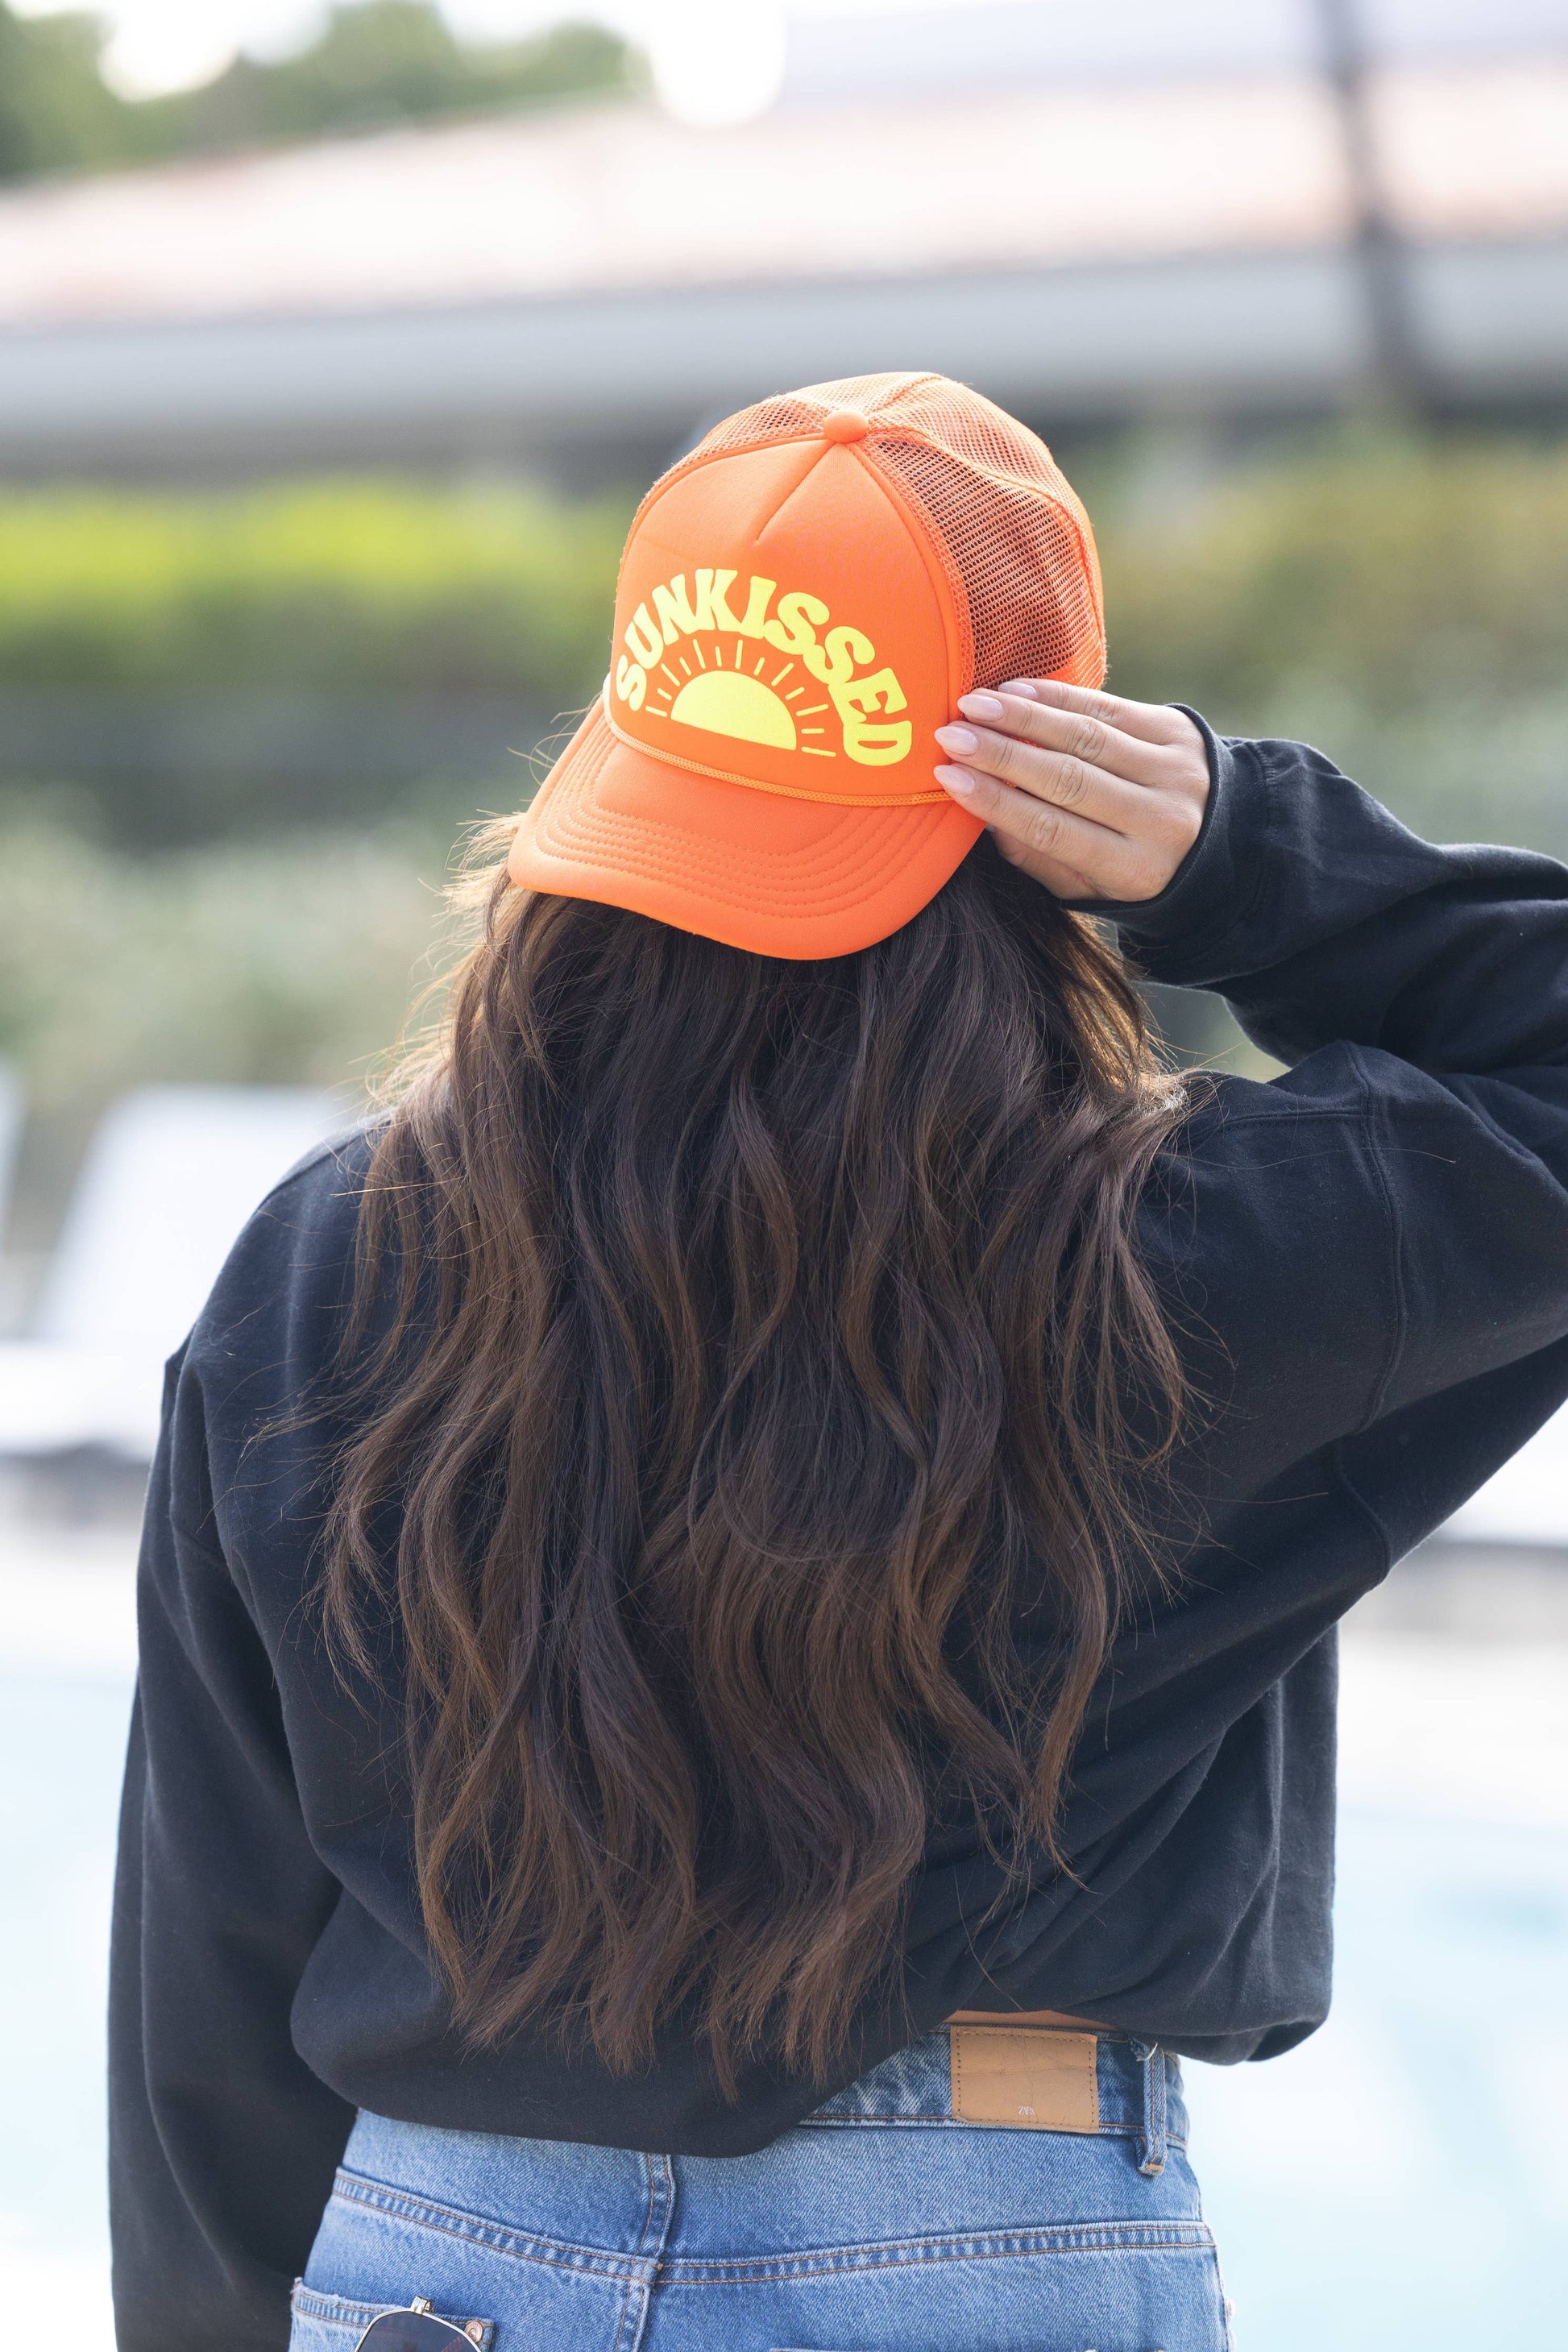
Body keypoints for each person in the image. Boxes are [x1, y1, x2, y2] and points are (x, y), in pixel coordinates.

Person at [110, 374, 1568, 2352]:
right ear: (1046, 786)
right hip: (982, 2238)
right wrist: (1243, 857)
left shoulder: (333, 1264)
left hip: (434, 2264)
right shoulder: (1184, 1269)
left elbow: (210, 1954)